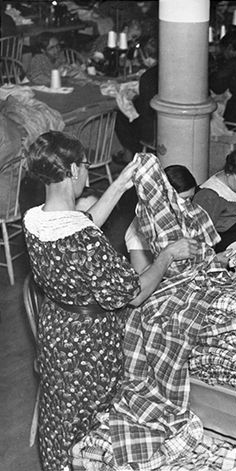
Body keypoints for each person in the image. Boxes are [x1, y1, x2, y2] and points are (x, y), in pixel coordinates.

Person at [22, 131, 200, 471]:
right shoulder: (86, 242)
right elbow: (134, 294)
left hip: (57, 331)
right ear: (74, 170)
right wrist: (166, 255)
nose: (87, 173)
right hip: (88, 348)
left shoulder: (36, 220)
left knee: (60, 414)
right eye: (86, 167)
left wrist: (119, 185)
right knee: (89, 425)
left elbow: (81, 222)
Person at [126, 165, 197, 273]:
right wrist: (170, 256)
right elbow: (142, 276)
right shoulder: (140, 230)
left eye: (190, 199)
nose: (187, 205)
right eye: (183, 199)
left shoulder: (186, 216)